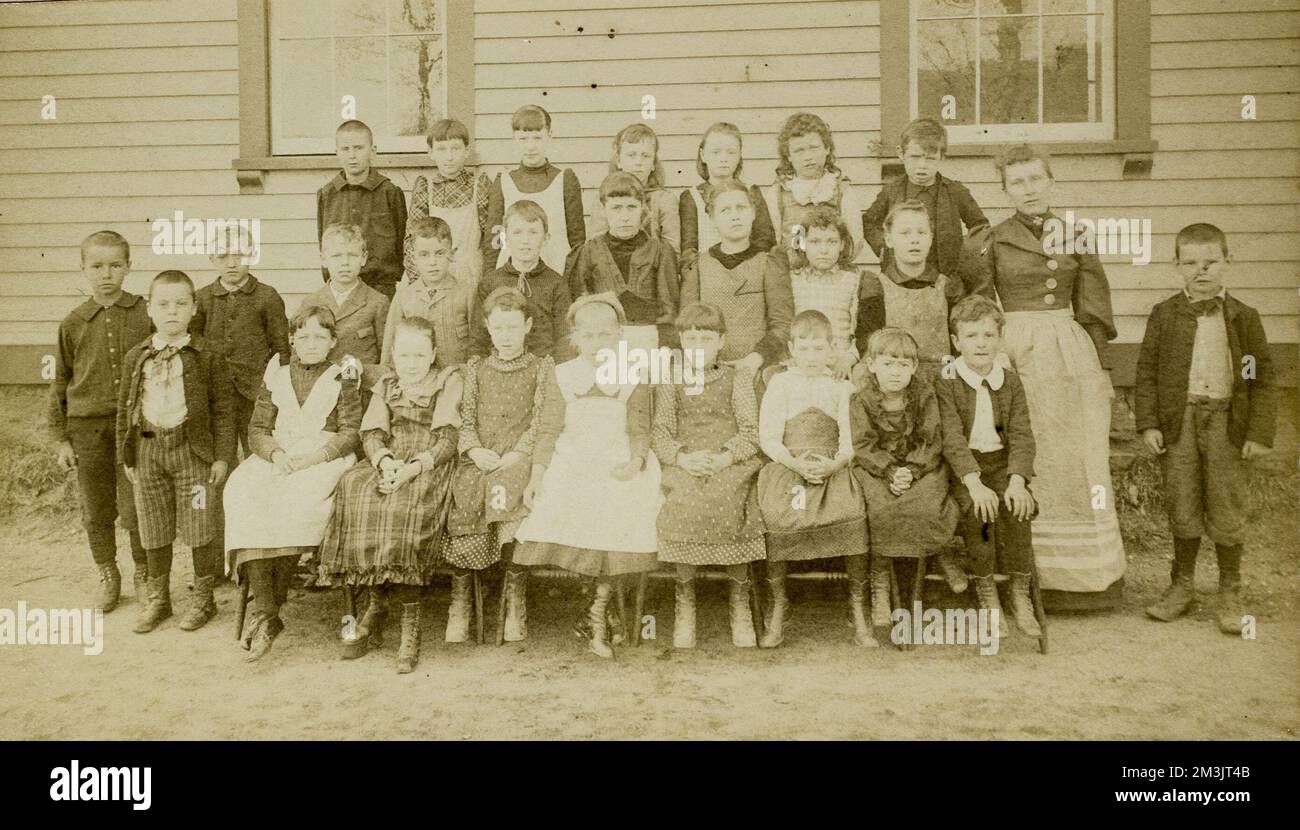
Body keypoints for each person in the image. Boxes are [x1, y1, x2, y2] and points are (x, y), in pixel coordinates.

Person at [973, 143, 1125, 605]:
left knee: (1077, 456)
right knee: (1026, 450)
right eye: (1017, 182)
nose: (1029, 189)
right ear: (1005, 190)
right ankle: (1026, 573)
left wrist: (1100, 368)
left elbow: (1094, 307)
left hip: (1069, 349)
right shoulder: (993, 239)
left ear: (1051, 182)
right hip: (1015, 349)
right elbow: (979, 305)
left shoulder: (1076, 234)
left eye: (1036, 179)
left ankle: (1086, 580)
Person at [1136, 223, 1275, 634]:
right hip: (1180, 422)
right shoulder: (1164, 315)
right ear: (1176, 266)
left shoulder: (1243, 318)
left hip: (1228, 422)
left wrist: (1257, 432)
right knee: (1182, 499)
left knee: (1226, 501)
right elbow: (1146, 372)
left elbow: (1259, 377)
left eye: (1211, 261)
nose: (1202, 270)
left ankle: (1230, 590)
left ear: (1228, 262)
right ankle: (1181, 586)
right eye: (1191, 262)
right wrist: (1148, 424)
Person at [512, 294, 662, 659]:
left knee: (619, 502)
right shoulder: (562, 374)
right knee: (567, 500)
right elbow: (548, 431)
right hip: (572, 458)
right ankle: (594, 609)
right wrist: (536, 477)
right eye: (590, 336)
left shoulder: (633, 373)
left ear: (619, 336)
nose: (598, 344)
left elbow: (640, 428)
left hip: (619, 456)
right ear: (575, 338)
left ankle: (597, 610)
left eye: (606, 335)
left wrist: (636, 462)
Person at [316, 317, 462, 674]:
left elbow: (448, 440)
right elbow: (372, 434)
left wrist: (411, 469)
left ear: (433, 354)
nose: (410, 363)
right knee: (355, 489)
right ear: (393, 354)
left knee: (401, 507)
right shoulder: (387, 384)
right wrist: (383, 462)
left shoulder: (447, 381)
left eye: (419, 355)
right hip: (390, 459)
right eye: (403, 355)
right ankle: (376, 603)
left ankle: (410, 626)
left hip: (428, 463)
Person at [223, 305, 361, 661]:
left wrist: (317, 457)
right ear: (292, 340)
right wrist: (274, 454)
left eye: (319, 336)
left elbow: (350, 432)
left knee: (294, 500)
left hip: (322, 457)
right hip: (281, 454)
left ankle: (267, 612)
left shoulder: (340, 376)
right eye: (303, 337)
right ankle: (268, 614)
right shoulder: (278, 374)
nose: (311, 343)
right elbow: (257, 429)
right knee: (242, 491)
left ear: (332, 341)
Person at [116, 270, 236, 634]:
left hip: (192, 451)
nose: (172, 312)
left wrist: (221, 457)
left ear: (194, 307)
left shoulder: (207, 356)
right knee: (153, 525)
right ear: (149, 309)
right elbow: (125, 407)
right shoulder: (137, 356)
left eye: (181, 304)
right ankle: (159, 599)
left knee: (200, 523)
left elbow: (224, 409)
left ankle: (203, 598)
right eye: (163, 304)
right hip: (149, 450)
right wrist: (128, 455)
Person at [443, 287, 561, 643]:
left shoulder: (542, 367)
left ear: (527, 326)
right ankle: (461, 596)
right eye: (499, 329)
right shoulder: (476, 367)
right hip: (482, 454)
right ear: (488, 328)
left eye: (513, 328)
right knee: (465, 488)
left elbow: (540, 421)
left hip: (515, 457)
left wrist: (519, 453)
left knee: (509, 488)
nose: (506, 337)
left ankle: (514, 594)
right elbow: (465, 420)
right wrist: (474, 449)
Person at [49, 230, 152, 613]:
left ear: (129, 267)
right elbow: (60, 381)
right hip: (87, 428)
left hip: (134, 428)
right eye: (96, 266)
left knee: (135, 504)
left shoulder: (145, 313)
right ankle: (108, 573)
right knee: (96, 508)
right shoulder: (73, 322)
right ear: (83, 269)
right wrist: (61, 438)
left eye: (115, 265)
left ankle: (144, 572)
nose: (106, 273)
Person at [652, 303, 765, 649]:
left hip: (728, 461)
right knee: (685, 499)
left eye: (706, 338)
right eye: (691, 338)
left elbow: (750, 430)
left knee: (729, 497)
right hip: (686, 462)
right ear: (681, 342)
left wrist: (724, 457)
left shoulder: (737, 378)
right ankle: (684, 601)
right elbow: (660, 431)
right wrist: (682, 459)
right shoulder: (672, 377)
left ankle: (739, 598)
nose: (698, 346)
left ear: (721, 341)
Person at [756, 310, 870, 647]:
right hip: (791, 468)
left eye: (818, 348)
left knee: (850, 511)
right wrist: (794, 462)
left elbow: (852, 439)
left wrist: (835, 464)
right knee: (781, 513)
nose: (810, 356)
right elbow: (769, 437)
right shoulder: (781, 383)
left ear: (832, 349)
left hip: (831, 468)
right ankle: (779, 603)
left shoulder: (842, 386)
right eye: (803, 348)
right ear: (791, 348)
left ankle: (858, 606)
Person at [934, 295, 1041, 636]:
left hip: (1002, 466)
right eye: (971, 336)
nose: (980, 344)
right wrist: (974, 483)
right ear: (956, 341)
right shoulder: (947, 381)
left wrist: (1018, 479)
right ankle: (987, 592)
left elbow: (1022, 433)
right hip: (964, 470)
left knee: (1017, 507)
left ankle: (1020, 593)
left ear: (999, 338)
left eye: (988, 335)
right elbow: (951, 438)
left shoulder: (1009, 380)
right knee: (980, 512)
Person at [850, 328, 958, 632]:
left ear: (914, 368)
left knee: (927, 502)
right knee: (880, 507)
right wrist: (889, 471)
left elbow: (931, 439)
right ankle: (881, 580)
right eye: (888, 364)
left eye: (903, 365)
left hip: (921, 466)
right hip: (877, 469)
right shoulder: (862, 400)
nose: (895, 372)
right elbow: (864, 445)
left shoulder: (923, 395)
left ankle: (937, 552)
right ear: (871, 365)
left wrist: (911, 469)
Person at [680, 178, 794, 376]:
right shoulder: (698, 265)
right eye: (725, 210)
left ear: (753, 213)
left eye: (741, 208)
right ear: (712, 218)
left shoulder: (769, 262)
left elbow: (783, 325)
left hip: (758, 368)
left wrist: (755, 359)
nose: (735, 217)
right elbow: (687, 324)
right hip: (709, 370)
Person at [191, 226, 289, 453]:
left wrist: (276, 387)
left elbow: (281, 348)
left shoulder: (267, 296)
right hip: (215, 392)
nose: (231, 263)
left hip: (255, 391)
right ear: (211, 259)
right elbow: (193, 343)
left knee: (257, 448)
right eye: (222, 256)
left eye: (239, 255)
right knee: (220, 452)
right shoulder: (202, 298)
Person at [862, 117, 988, 290]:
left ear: (942, 157)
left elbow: (980, 227)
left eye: (930, 158)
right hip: (901, 279)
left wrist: (963, 256)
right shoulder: (891, 191)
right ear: (901, 153)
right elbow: (869, 222)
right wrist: (885, 248)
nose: (922, 166)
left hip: (946, 281)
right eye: (915, 157)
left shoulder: (955, 191)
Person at [852, 200, 966, 386]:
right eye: (905, 233)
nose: (914, 239)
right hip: (893, 376)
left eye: (921, 232)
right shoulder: (877, 285)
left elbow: (958, 345)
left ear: (931, 238)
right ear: (889, 239)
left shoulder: (947, 286)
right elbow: (868, 341)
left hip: (941, 377)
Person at [567, 171, 679, 353]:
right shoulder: (589, 250)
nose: (624, 216)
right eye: (616, 208)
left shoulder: (661, 251)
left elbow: (668, 311)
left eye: (631, 207)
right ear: (603, 210)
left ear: (643, 207)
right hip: (601, 342)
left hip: (648, 340)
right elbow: (580, 303)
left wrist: (665, 354)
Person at [482, 105, 585, 275]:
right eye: (523, 139)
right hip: (512, 272)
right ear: (514, 138)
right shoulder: (504, 181)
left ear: (549, 136)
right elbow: (494, 239)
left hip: (556, 270)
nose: (531, 146)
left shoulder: (565, 179)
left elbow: (577, 240)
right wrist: (490, 279)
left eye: (537, 138)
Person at [300, 223, 391, 405]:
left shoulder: (377, 302)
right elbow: (298, 359)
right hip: (319, 397)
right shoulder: (310, 303)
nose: (344, 263)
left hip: (362, 398)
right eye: (336, 256)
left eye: (352, 255)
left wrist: (361, 370)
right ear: (323, 259)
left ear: (363, 258)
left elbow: (388, 364)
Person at [316, 120, 408, 298]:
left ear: (372, 150)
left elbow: (401, 244)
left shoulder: (389, 192)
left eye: (358, 148)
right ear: (337, 152)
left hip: (381, 288)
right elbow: (323, 241)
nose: (352, 155)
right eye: (345, 149)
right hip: (340, 288)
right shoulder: (327, 194)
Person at [765, 112, 866, 263]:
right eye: (799, 151)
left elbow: (855, 240)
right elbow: (773, 240)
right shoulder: (778, 192)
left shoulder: (841, 190)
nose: (808, 156)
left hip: (834, 271)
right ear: (789, 156)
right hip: (792, 274)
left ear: (827, 149)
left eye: (814, 148)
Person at [788, 205, 873, 381]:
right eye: (815, 242)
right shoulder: (793, 280)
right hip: (801, 364)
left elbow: (863, 332)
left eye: (831, 242)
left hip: (840, 366)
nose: (824, 249)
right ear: (802, 244)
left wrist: (849, 360)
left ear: (842, 244)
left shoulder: (854, 280)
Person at [678, 121, 776, 271]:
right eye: (716, 152)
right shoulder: (692, 197)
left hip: (748, 272)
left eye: (731, 152)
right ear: (703, 155)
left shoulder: (751, 192)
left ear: (739, 156)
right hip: (707, 275)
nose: (724, 158)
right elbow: (689, 249)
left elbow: (765, 241)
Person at [403, 118, 491, 284]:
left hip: (471, 277)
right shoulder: (425, 188)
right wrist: (418, 280)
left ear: (467, 150)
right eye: (441, 149)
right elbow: (411, 238)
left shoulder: (479, 186)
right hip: (431, 276)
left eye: (455, 148)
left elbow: (492, 236)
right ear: (431, 152)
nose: (449, 156)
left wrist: (489, 278)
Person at [383, 216, 476, 370]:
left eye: (439, 253)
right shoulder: (404, 296)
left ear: (451, 254)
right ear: (414, 258)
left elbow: (478, 343)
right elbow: (389, 347)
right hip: (416, 380)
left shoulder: (466, 293)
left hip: (457, 380)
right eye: (424, 254)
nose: (432, 262)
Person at [587, 122, 680, 252]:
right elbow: (595, 247)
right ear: (618, 161)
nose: (638, 162)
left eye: (645, 156)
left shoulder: (664, 199)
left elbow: (672, 249)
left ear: (653, 163)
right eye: (631, 155)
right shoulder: (603, 198)